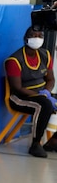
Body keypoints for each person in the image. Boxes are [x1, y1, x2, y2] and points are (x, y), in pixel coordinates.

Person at [4, 25, 57, 158]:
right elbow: (17, 88)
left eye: (40, 36)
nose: (37, 39)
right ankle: (35, 144)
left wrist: (46, 92)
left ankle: (53, 142)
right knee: (44, 105)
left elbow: (51, 79)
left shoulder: (46, 55)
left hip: (42, 94)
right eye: (34, 36)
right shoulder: (14, 60)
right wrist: (41, 96)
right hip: (20, 97)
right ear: (26, 38)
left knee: (46, 102)